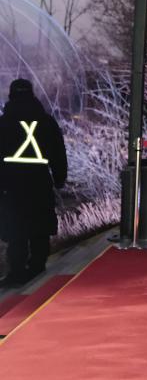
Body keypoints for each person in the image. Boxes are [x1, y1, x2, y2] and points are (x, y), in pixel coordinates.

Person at [0, 79, 67, 287]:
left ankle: (17, 272)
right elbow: (58, 153)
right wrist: (59, 178)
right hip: (39, 181)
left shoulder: (3, 123)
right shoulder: (47, 122)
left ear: (11, 95)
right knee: (40, 226)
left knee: (15, 229)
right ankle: (37, 267)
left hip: (11, 184)